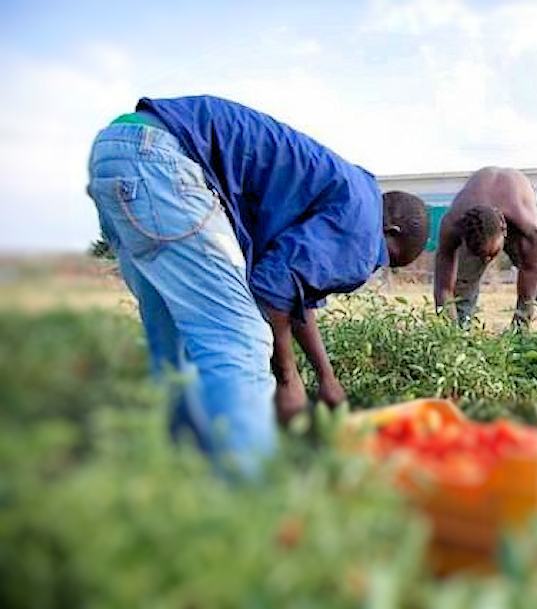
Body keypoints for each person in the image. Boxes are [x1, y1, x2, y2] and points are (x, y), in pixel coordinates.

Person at [86, 95, 428, 474]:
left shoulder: (350, 194)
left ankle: (183, 476)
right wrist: (289, 379)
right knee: (242, 340)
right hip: (164, 161)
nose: (372, 267)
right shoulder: (364, 231)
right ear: (389, 232)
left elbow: (295, 292)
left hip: (120, 150)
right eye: (386, 259)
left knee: (176, 347)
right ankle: (253, 502)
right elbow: (273, 288)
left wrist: (326, 378)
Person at [433, 166, 537, 327]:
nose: (488, 260)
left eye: (492, 253)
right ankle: (459, 337)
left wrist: (519, 328)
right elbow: (443, 289)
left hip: (520, 200)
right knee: (460, 292)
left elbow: (529, 280)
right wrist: (448, 332)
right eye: (481, 255)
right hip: (477, 216)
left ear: (504, 229)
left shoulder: (528, 227)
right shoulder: (453, 225)